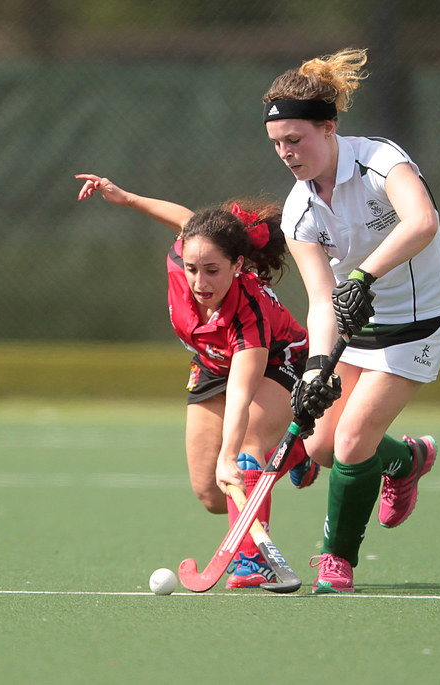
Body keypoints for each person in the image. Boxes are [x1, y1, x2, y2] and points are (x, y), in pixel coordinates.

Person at [75, 174, 338, 588]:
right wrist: (125, 197)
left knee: (246, 448)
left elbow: (242, 387)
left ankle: (253, 562)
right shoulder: (184, 258)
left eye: (213, 271)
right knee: (213, 495)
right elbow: (187, 221)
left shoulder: (248, 309)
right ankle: (294, 451)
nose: (200, 283)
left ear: (237, 265)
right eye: (194, 269)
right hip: (212, 365)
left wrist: (230, 453)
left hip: (278, 359)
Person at [262, 47, 440, 593]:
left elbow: (422, 221)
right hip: (355, 324)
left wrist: (363, 276)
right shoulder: (298, 211)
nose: (286, 153)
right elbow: (321, 300)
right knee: (324, 448)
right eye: (277, 144)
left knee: (351, 441)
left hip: (418, 324)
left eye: (295, 139)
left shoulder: (380, 161)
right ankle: (407, 460)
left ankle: (336, 558)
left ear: (328, 129)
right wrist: (315, 370)